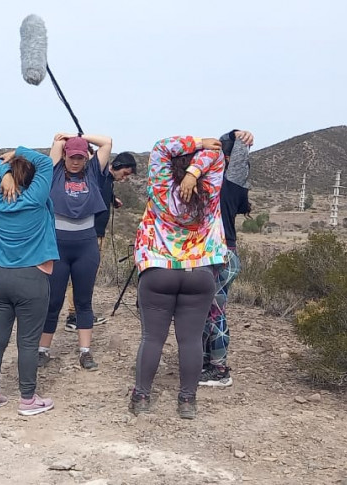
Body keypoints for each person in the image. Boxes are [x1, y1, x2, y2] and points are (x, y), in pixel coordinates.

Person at [130, 135, 227, 420]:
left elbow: (162, 146)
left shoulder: (160, 185)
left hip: (158, 270)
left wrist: (196, 142)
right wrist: (196, 173)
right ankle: (187, 400)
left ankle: (142, 396)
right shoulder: (209, 187)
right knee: (191, 340)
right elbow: (217, 155)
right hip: (199, 272)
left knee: (152, 338)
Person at [0, 146, 59, 416]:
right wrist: (18, 151)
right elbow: (45, 162)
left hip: (1, 276)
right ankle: (27, 399)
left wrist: (5, 173)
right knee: (27, 342)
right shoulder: (36, 197)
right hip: (32, 277)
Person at [38, 133, 112, 371]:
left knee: (83, 300)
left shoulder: (92, 173)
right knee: (53, 300)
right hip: (58, 244)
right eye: (72, 156)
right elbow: (56, 145)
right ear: (66, 156)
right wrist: (66, 139)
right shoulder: (55, 172)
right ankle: (43, 350)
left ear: (86, 157)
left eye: (80, 157)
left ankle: (85, 351)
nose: (76, 161)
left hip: (86, 243)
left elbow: (107, 142)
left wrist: (80, 137)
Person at [200, 130, 254, 388]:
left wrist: (238, 136)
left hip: (220, 255)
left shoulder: (230, 183)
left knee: (214, 313)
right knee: (208, 311)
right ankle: (206, 362)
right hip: (218, 254)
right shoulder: (223, 185)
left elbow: (239, 158)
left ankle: (219, 369)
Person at [63, 151, 137, 331]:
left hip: (97, 233)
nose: (124, 178)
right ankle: (74, 316)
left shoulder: (108, 181)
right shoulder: (101, 175)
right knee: (83, 276)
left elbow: (101, 192)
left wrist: (113, 199)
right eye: (124, 173)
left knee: (87, 276)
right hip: (91, 232)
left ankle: (78, 313)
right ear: (117, 166)